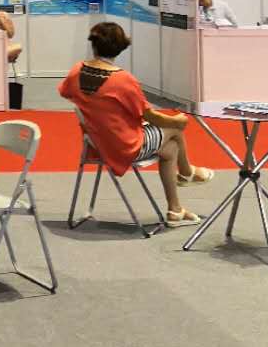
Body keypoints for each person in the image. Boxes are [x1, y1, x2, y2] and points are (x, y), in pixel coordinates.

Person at [59, 21, 212, 226]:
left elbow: (65, 92)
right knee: (174, 130)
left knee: (170, 149)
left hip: (96, 142)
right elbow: (151, 116)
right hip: (125, 145)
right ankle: (186, 173)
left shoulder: (77, 70)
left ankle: (175, 210)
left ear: (93, 44)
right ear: (120, 47)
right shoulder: (122, 79)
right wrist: (177, 120)